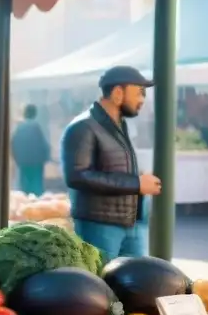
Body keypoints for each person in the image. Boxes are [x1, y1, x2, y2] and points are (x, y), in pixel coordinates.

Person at [60, 65, 161, 260]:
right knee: (102, 285)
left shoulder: (120, 126)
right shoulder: (82, 127)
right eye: (139, 93)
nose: (142, 100)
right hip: (100, 225)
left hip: (132, 224)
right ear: (117, 93)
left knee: (136, 285)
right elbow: (78, 176)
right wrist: (136, 184)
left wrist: (138, 179)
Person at [11, 104, 50, 196]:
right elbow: (43, 144)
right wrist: (46, 157)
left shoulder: (19, 127)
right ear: (35, 114)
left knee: (24, 186)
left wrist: (16, 159)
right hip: (36, 162)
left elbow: (13, 144)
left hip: (23, 162)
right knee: (36, 187)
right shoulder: (36, 127)